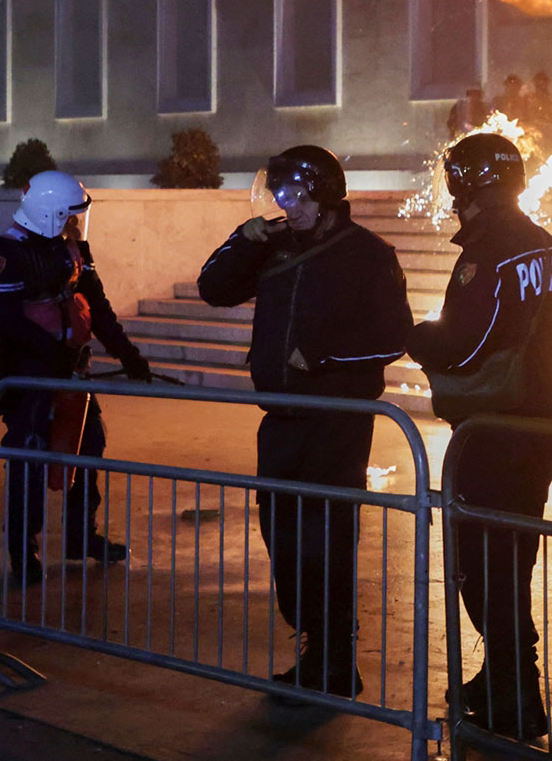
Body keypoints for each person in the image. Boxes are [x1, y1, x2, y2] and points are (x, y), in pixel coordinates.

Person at [196, 146, 412, 701]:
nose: (285, 206)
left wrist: (322, 354)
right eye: (279, 196)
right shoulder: (275, 244)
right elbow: (214, 288)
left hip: (337, 421)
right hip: (282, 417)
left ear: (323, 194)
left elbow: (393, 336)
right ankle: (314, 645)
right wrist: (243, 241)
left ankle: (336, 658)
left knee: (326, 539)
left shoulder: (367, 254)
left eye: (294, 196)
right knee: (283, 537)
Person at [407, 132, 552, 741]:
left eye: (456, 185)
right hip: (540, 421)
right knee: (512, 553)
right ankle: (503, 675)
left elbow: (464, 343)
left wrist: (414, 336)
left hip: (495, 426)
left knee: (480, 559)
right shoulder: (548, 246)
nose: (454, 199)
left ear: (470, 185)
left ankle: (517, 692)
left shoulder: (489, 253)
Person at [0, 170, 150, 584]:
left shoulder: (70, 249)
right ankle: (23, 549)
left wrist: (129, 355)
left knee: (89, 446)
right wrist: (52, 354)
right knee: (30, 455)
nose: (75, 223)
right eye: (69, 215)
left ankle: (80, 535)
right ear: (49, 213)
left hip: (70, 369)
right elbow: (5, 321)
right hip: (28, 375)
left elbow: (98, 307)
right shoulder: (5, 253)